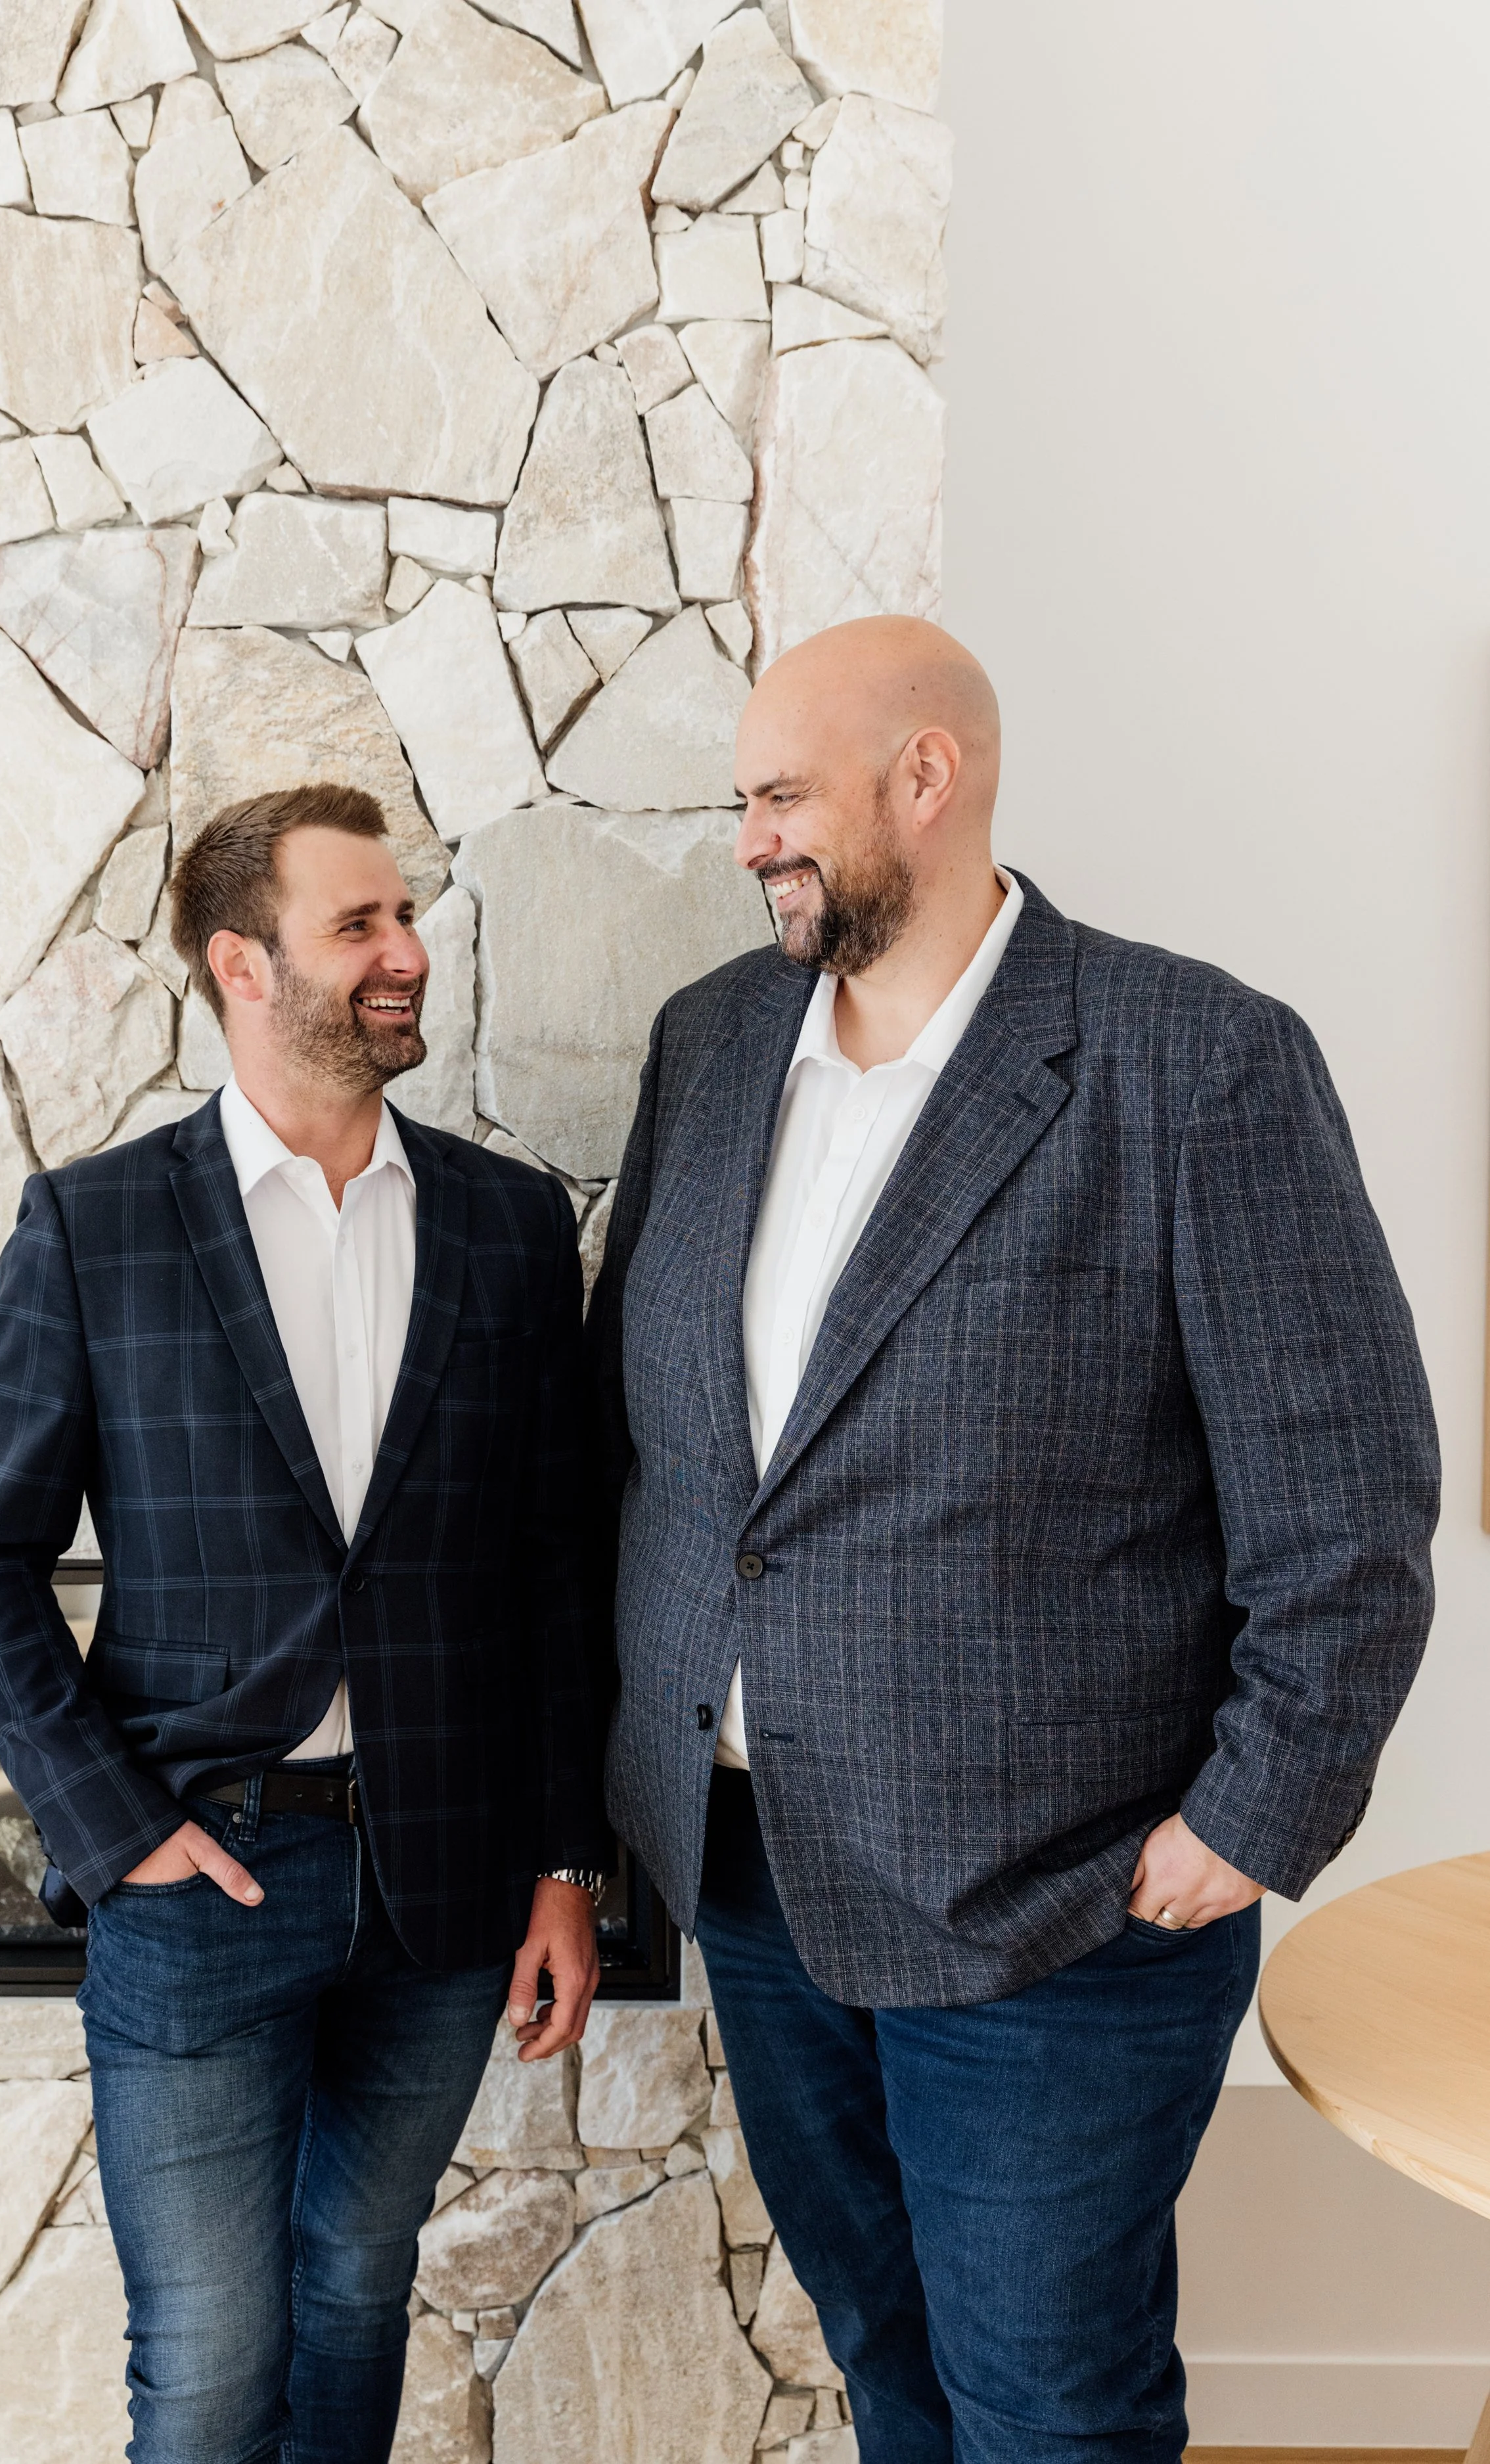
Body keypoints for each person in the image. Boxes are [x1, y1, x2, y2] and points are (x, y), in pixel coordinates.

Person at [588, 618, 1439, 2463]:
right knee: (884, 2349)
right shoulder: (713, 1044)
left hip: (1060, 1909)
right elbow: (649, 1445)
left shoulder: (1190, 1059)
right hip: (750, 1869)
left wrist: (1253, 1810)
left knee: (1049, 2405)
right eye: (742, 802)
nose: (747, 840)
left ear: (926, 775)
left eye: (780, 796)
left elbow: (1349, 1498)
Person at [0, 784, 610, 2464]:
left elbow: (553, 1567)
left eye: (404, 915)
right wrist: (118, 1832)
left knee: (355, 2300)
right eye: (358, 924)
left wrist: (562, 1865)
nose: (406, 951)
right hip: (200, 1880)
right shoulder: (96, 1227)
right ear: (242, 964)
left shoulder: (511, 1226)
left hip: (446, 1888)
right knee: (215, 2364)